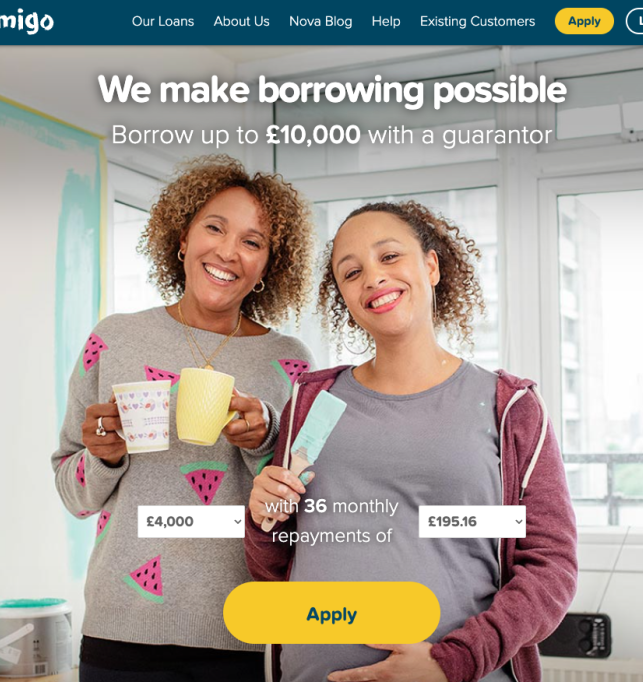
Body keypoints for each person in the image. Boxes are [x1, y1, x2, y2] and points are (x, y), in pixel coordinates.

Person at [245, 201, 577, 682]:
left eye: (389, 257)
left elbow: (551, 569)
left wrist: (452, 663)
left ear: (431, 265)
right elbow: (274, 567)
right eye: (351, 272)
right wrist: (263, 520)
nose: (373, 278)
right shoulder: (312, 400)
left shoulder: (511, 406)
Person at [52, 155, 316, 682]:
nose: (227, 251)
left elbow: (304, 506)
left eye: (252, 241)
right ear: (181, 237)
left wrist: (267, 436)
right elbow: (72, 493)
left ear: (269, 265)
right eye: (213, 227)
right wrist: (104, 458)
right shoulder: (115, 339)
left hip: (243, 632)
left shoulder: (290, 361)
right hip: (119, 629)